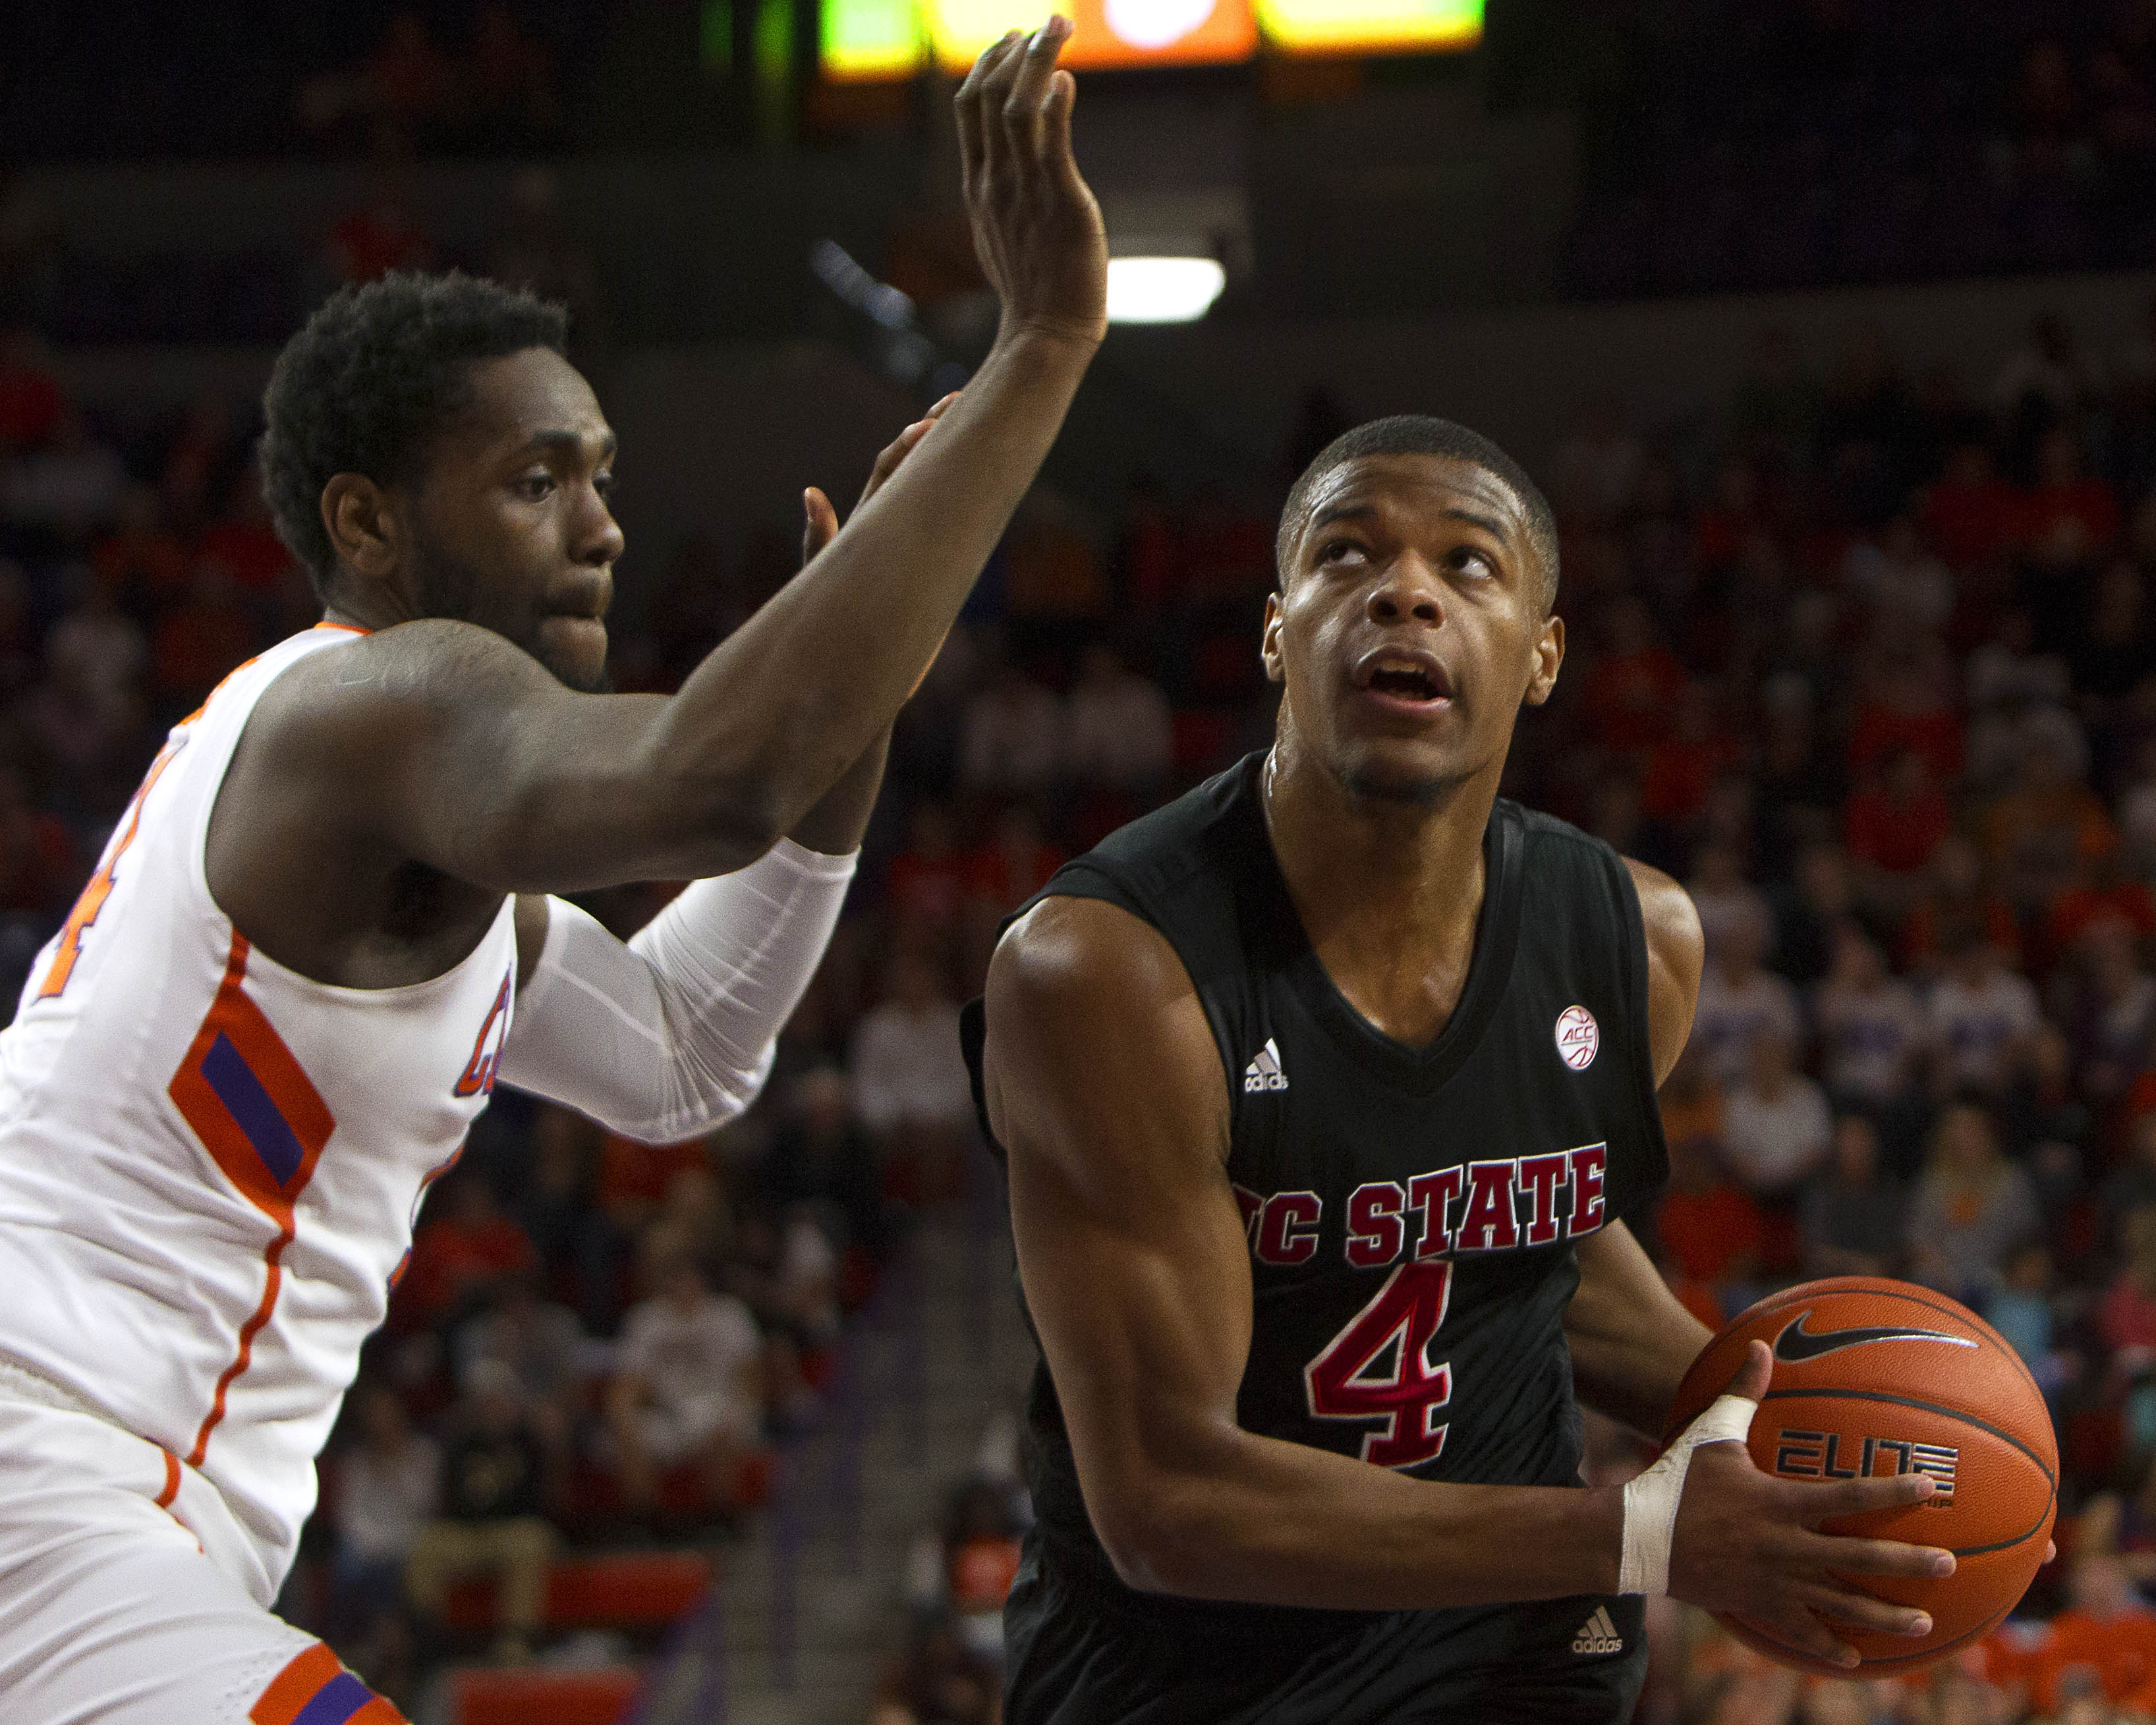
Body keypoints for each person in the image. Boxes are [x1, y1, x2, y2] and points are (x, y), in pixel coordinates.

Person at [0, 22, 1110, 1721]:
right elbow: (716, 777)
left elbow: (684, 1051)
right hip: (44, 1467)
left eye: (601, 476)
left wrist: (860, 683)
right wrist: (1039, 349)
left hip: (128, 1514)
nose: (599, 524)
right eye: (535, 481)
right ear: (368, 527)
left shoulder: (423, 845)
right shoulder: (376, 699)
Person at [963, 414, 1952, 1724]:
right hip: (1191, 1674)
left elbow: (1537, 1236)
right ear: (1275, 632)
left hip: (1515, 1658)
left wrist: (1880, 1464)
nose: (1405, 588)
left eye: (1469, 564)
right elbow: (1170, 1499)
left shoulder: (1632, 941)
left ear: (1543, 658)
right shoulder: (1106, 974)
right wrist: (1640, 1538)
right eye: (1346, 554)